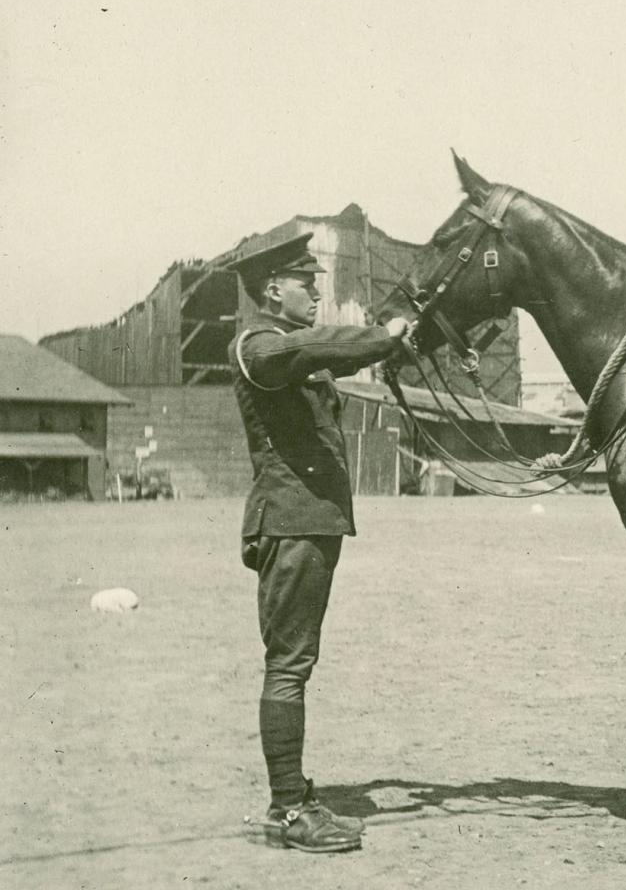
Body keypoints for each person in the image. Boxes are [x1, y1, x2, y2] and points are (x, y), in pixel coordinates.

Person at [225, 233, 413, 853]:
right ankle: (286, 811)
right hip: (291, 523)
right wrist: (386, 333)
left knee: (294, 664)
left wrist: (390, 342)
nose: (318, 296)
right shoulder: (259, 345)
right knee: (289, 666)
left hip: (307, 523)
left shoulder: (287, 349)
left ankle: (293, 796)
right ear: (274, 288)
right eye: (309, 285)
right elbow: (321, 347)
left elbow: (331, 354)